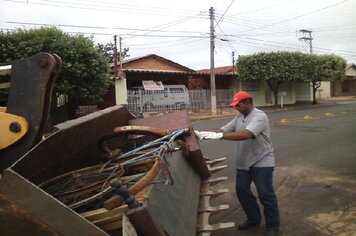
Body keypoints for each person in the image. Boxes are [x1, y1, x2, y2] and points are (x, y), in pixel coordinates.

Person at [195, 91, 280, 236]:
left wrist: (218, 136)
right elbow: (223, 129)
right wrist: (203, 133)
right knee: (242, 192)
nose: (236, 108)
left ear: (248, 102)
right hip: (244, 161)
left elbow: (246, 135)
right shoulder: (239, 117)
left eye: (238, 105)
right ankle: (253, 219)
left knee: (266, 194)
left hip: (262, 161)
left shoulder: (259, 116)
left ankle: (273, 226)